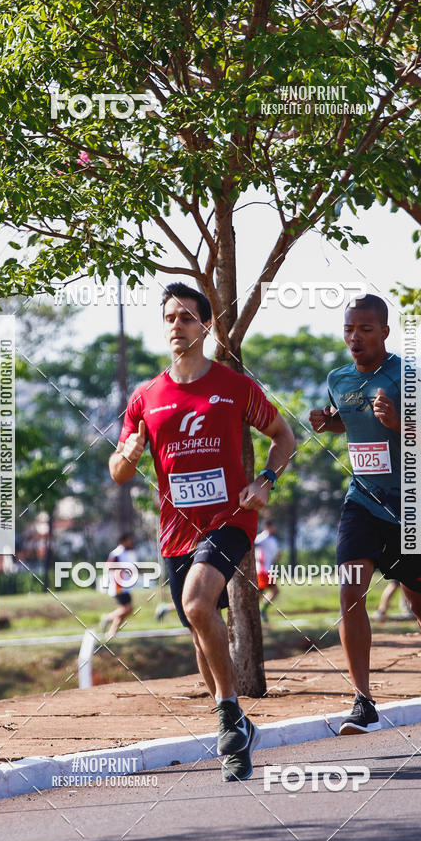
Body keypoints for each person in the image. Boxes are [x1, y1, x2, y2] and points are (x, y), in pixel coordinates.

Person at [109, 282, 295, 781]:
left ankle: (229, 715)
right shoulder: (145, 397)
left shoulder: (235, 386)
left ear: (206, 326)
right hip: (176, 531)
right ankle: (235, 719)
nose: (177, 325)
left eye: (187, 317)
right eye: (170, 317)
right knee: (198, 628)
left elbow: (284, 436)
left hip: (232, 517)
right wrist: (127, 455)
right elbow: (118, 471)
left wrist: (265, 480)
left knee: (196, 603)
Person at [309, 294, 421, 735]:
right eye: (349, 329)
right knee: (350, 591)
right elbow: (352, 418)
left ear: (385, 332)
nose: (355, 338)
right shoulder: (338, 379)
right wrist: (329, 422)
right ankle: (363, 701)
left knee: (419, 602)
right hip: (362, 501)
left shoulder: (408, 376)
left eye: (365, 329)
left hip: (413, 503)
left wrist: (399, 423)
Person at [100, 533, 137, 638]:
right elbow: (109, 566)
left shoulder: (126, 553)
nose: (131, 542)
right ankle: (107, 617)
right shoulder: (117, 553)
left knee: (124, 611)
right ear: (123, 541)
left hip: (125, 586)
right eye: (129, 540)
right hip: (118, 586)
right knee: (128, 609)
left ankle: (112, 632)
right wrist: (122, 570)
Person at [255, 520, 281, 623]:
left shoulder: (273, 539)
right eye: (273, 526)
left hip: (268, 570)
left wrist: (277, 556)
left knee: (261, 593)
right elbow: (253, 545)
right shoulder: (262, 537)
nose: (275, 528)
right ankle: (260, 612)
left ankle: (259, 612)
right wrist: (257, 558)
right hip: (262, 570)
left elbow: (273, 553)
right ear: (267, 527)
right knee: (270, 591)